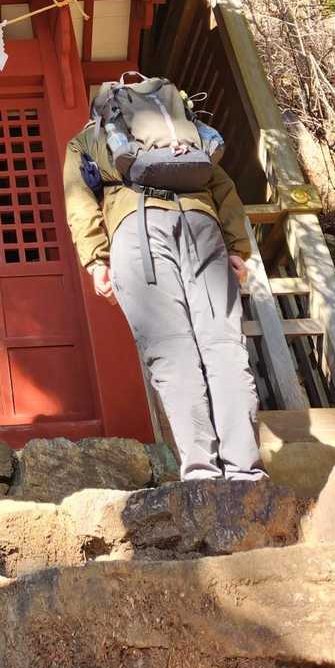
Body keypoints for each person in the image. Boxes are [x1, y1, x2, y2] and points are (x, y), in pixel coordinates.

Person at [63, 112, 264, 481]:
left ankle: (202, 473)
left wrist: (96, 260)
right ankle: (245, 471)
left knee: (172, 351)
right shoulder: (180, 133)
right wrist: (237, 246)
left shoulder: (86, 139)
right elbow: (223, 185)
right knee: (224, 345)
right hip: (201, 225)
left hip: (137, 227)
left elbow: (79, 200)